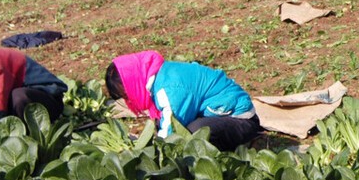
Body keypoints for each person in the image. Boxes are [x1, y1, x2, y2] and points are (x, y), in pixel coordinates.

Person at [104, 50, 260, 151]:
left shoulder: (170, 89)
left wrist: (147, 151)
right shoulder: (158, 75)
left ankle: (241, 146)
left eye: (126, 93)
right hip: (216, 113)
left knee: (195, 132)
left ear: (133, 81)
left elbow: (170, 132)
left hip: (242, 121)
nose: (129, 98)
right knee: (163, 123)